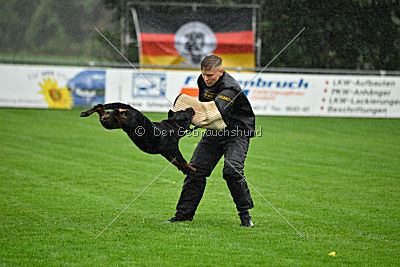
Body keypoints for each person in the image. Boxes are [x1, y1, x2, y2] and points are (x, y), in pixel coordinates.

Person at [168, 55, 256, 227]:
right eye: (204, 75)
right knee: (195, 170)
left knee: (232, 171)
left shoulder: (230, 88)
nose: (206, 79)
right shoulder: (202, 81)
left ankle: (245, 216)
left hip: (237, 133)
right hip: (216, 130)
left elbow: (215, 113)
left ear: (220, 71)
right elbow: (203, 107)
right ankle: (183, 216)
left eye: (210, 76)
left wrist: (190, 117)